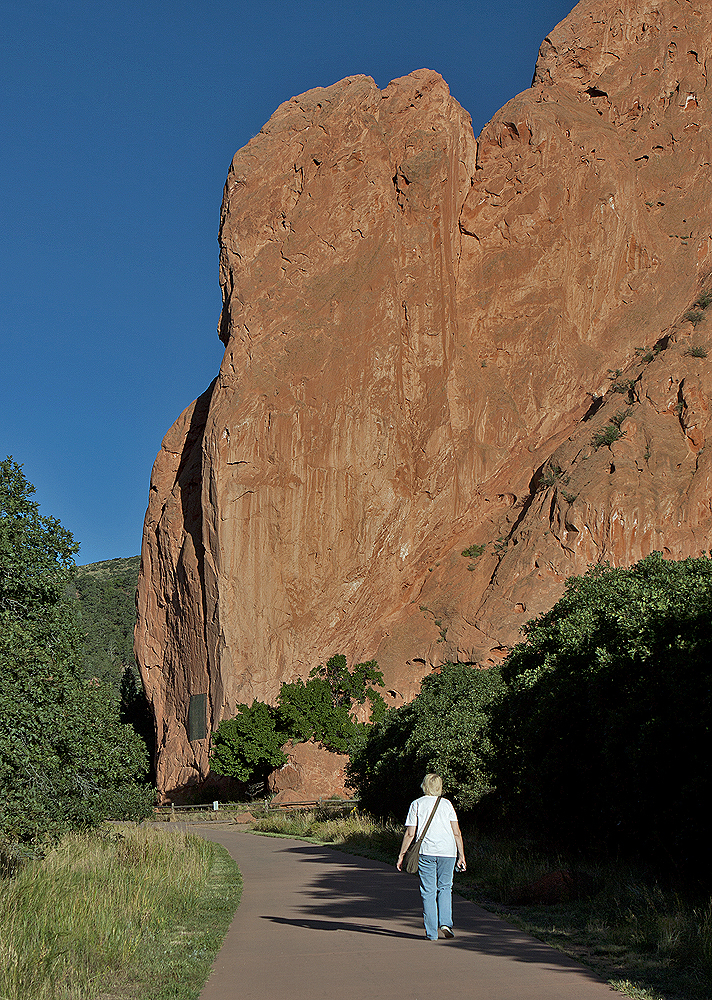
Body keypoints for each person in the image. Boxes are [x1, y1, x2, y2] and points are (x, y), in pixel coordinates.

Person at [396, 773, 466, 940]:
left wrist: (402, 854)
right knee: (445, 887)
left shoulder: (417, 804)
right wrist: (461, 855)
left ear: (424, 785)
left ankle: (431, 932)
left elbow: (410, 833)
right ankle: (446, 923)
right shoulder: (447, 804)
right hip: (448, 852)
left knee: (428, 891)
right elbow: (457, 832)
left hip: (426, 851)